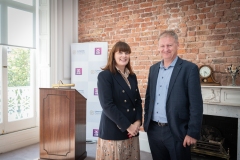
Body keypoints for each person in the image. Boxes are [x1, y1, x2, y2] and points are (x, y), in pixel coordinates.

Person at [143, 30, 203, 160]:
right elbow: (149, 98)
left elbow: (196, 104)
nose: (166, 49)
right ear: (158, 47)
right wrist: (146, 121)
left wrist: (192, 132)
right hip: (154, 130)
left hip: (177, 130)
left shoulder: (189, 69)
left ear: (177, 45)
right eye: (162, 46)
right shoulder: (153, 69)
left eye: (169, 45)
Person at [96, 41, 142, 160]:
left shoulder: (132, 76)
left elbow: (137, 101)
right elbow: (107, 105)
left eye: (126, 53)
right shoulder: (105, 76)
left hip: (132, 130)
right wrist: (128, 126)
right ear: (113, 55)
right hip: (114, 130)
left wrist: (137, 122)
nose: (124, 56)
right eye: (120, 52)